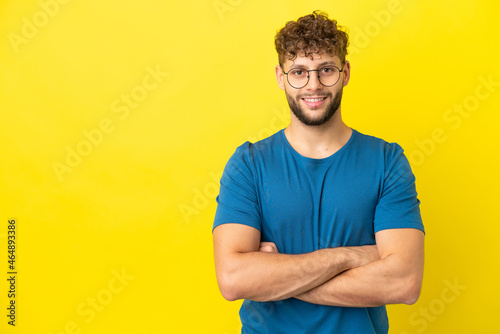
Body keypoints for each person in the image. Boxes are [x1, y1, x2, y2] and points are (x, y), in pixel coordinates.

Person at [212, 10, 425, 334]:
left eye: (326, 69)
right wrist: (351, 257)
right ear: (280, 77)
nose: (313, 85)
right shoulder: (248, 165)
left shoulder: (387, 162)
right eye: (299, 71)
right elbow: (232, 279)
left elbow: (404, 282)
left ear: (346, 72)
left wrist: (273, 276)